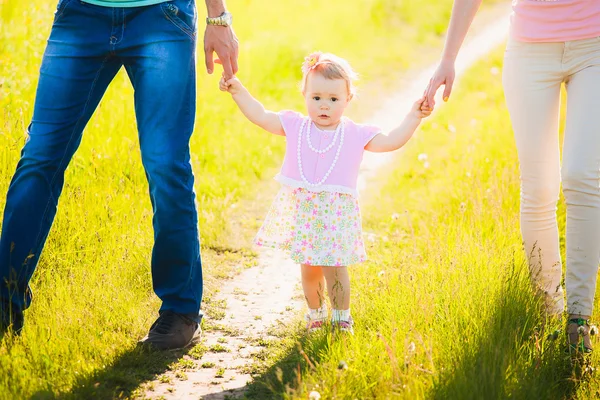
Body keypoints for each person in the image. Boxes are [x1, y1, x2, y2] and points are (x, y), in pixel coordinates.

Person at [0, 0, 238, 350]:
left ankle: (180, 311)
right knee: (40, 157)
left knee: (165, 162)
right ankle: (6, 297)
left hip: (162, 15)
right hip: (80, 15)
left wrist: (217, 16)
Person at [423, 0, 600, 352]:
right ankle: (550, 312)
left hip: (594, 46)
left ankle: (579, 319)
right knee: (539, 187)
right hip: (530, 51)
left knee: (582, 175)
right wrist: (448, 58)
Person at [219, 52, 430, 333]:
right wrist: (238, 90)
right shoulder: (296, 126)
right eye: (316, 97)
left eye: (333, 99)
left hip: (335, 213)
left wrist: (414, 116)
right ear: (304, 95)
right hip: (305, 211)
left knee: (335, 268)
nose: (324, 106)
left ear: (348, 100)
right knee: (309, 267)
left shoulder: (355, 133)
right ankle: (316, 314)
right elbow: (260, 115)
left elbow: (392, 141)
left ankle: (341, 317)